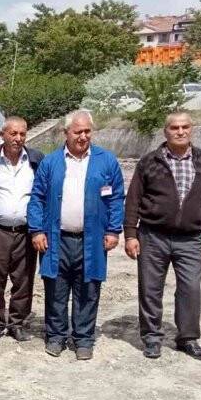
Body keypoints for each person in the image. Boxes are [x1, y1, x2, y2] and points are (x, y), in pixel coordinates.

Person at [124, 111, 201, 360]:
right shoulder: (149, 161)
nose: (180, 132)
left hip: (191, 238)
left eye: (185, 127)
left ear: (192, 129)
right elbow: (133, 200)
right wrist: (130, 234)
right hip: (153, 236)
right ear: (165, 131)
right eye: (174, 127)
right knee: (150, 289)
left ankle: (188, 338)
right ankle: (151, 337)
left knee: (190, 288)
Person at [27, 109, 124, 360]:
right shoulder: (51, 162)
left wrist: (113, 230)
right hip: (56, 239)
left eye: (87, 131)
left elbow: (116, 198)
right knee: (56, 290)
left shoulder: (106, 161)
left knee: (88, 289)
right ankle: (56, 337)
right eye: (78, 131)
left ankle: (83, 339)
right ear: (66, 133)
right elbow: (37, 198)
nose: (83, 136)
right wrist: (37, 230)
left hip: (92, 240)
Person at [0, 116, 44, 344]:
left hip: (26, 232)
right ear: (3, 135)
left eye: (22, 134)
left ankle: (17, 324)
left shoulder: (36, 160)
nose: (18, 138)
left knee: (23, 281)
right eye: (13, 133)